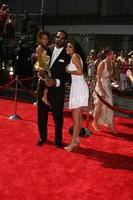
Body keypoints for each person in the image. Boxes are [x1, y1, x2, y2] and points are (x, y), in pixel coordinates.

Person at [37, 30, 71, 147]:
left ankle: (58, 140)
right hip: (43, 87)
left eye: (62, 38)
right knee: (41, 114)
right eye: (57, 37)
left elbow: (68, 76)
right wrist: (40, 74)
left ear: (65, 40)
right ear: (55, 37)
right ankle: (42, 136)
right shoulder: (48, 49)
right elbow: (40, 65)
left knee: (58, 117)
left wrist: (56, 82)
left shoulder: (68, 55)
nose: (59, 39)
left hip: (57, 90)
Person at [64, 40, 89, 152]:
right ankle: (76, 139)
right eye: (67, 46)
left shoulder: (74, 56)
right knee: (77, 116)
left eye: (70, 46)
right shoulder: (75, 56)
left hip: (79, 88)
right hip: (78, 87)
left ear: (74, 48)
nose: (67, 48)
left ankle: (73, 141)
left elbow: (80, 72)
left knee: (76, 116)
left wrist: (67, 71)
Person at [92, 47, 116, 134]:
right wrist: (101, 90)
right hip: (100, 85)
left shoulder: (111, 62)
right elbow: (98, 77)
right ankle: (95, 122)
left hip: (108, 85)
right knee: (99, 105)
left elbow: (109, 76)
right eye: (111, 54)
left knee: (110, 105)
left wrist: (114, 80)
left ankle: (110, 124)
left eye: (113, 54)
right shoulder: (102, 63)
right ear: (107, 54)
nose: (113, 55)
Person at [34, 30, 51, 107]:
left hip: (46, 66)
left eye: (46, 38)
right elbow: (39, 60)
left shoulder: (45, 47)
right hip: (43, 67)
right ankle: (44, 97)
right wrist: (42, 69)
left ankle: (43, 96)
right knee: (48, 80)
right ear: (40, 39)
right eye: (43, 38)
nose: (45, 40)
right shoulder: (40, 47)